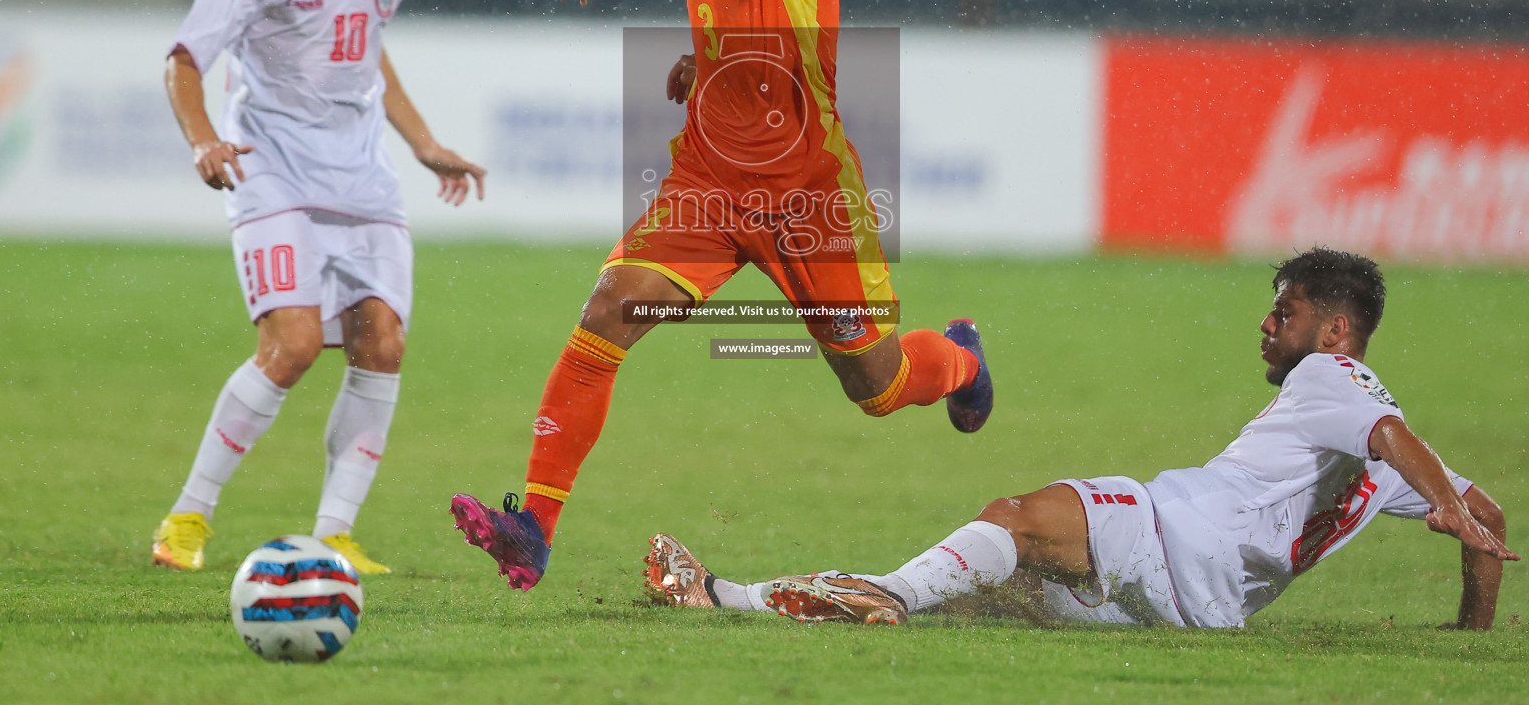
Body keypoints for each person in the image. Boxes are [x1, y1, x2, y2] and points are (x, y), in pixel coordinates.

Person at [449, 0, 992, 590]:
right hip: (708, 179)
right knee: (609, 308)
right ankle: (533, 527)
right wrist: (707, 64)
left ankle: (960, 358)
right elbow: (750, 2)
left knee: (877, 386)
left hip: (805, 192)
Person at [643, 248, 1518, 629]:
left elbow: (1391, 431)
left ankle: (861, 597)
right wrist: (1467, 626)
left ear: (1333, 331)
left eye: (1283, 313)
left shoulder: (1334, 380)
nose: (1265, 325)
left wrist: (1443, 504)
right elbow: (1493, 522)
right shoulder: (1378, 458)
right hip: (1202, 614)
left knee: (1013, 518)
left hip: (1165, 531)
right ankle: (729, 596)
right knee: (977, 600)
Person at [151, 0, 486, 575]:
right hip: (270, 167)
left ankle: (334, 534)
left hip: (361, 174)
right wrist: (204, 141)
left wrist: (424, 143)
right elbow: (185, 59)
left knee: (382, 342)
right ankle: (187, 519)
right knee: (296, 343)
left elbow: (367, 49)